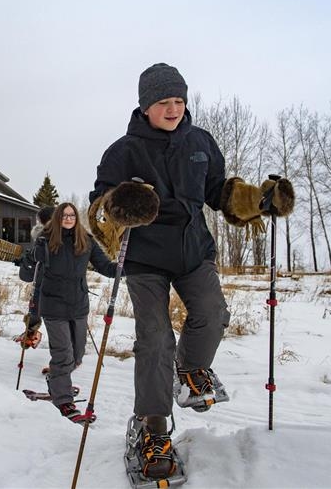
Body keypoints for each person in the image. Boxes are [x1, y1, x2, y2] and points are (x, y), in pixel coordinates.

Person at [88, 63, 294, 481]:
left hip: (192, 249)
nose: (173, 108)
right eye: (164, 102)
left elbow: (219, 190)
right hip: (145, 257)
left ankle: (190, 371)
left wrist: (258, 200)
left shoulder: (200, 141)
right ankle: (152, 429)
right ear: (145, 106)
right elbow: (99, 211)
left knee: (213, 314)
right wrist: (119, 205)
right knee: (156, 338)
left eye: (179, 101)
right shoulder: (123, 151)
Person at [21, 202, 117, 424]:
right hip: (53, 306)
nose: (68, 218)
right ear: (57, 218)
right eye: (63, 215)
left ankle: (56, 380)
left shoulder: (86, 241)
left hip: (79, 306)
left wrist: (126, 264)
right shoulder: (46, 241)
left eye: (71, 215)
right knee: (63, 354)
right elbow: (29, 272)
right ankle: (64, 401)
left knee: (77, 354)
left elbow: (107, 268)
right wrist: (32, 256)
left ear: (76, 218)